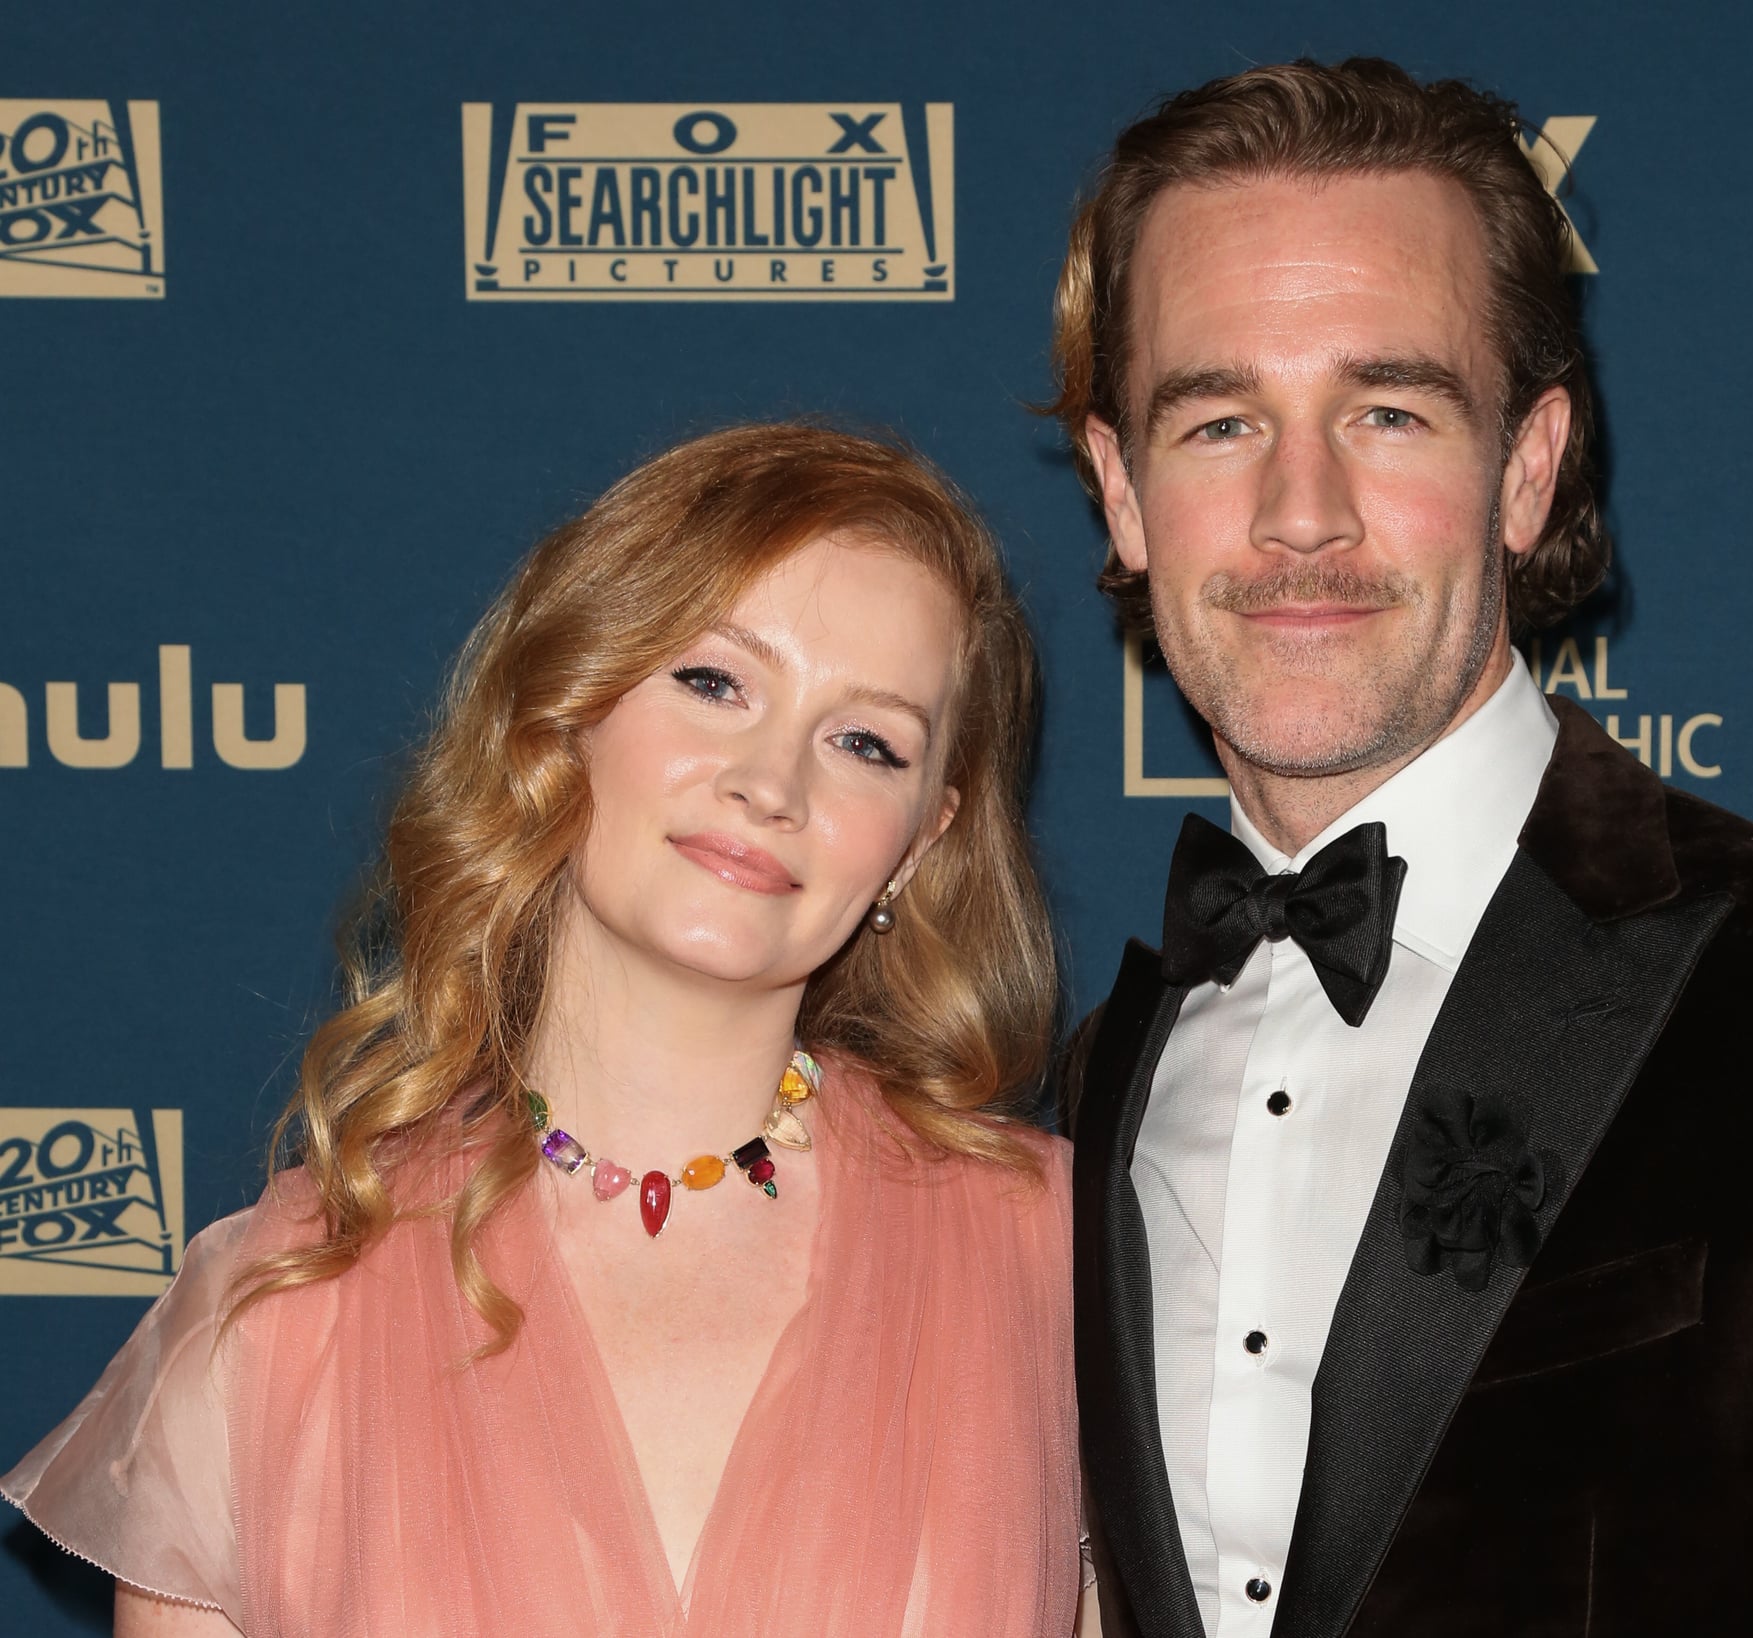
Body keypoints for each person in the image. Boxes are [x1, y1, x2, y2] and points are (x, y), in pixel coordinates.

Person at [1051, 57, 1753, 1638]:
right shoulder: (1088, 1086)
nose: (1300, 514)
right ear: (1121, 492)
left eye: (1386, 411)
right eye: (1221, 420)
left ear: (1525, 467)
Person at [3, 424, 1081, 1637]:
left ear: (919, 840)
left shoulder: (1060, 1264)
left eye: (864, 742)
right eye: (714, 681)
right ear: (567, 706)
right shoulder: (278, 1308)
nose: (772, 782)